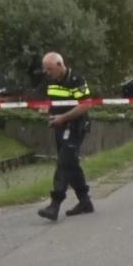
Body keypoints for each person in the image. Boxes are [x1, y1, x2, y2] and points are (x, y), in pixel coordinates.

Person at [36, 52, 95, 221]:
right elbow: (49, 101)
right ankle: (84, 201)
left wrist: (63, 117)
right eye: (46, 70)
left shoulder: (76, 79)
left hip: (76, 127)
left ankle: (54, 204)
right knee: (71, 163)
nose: (48, 73)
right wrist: (46, 110)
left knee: (63, 162)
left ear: (60, 65)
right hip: (60, 127)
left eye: (50, 69)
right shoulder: (50, 80)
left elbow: (86, 105)